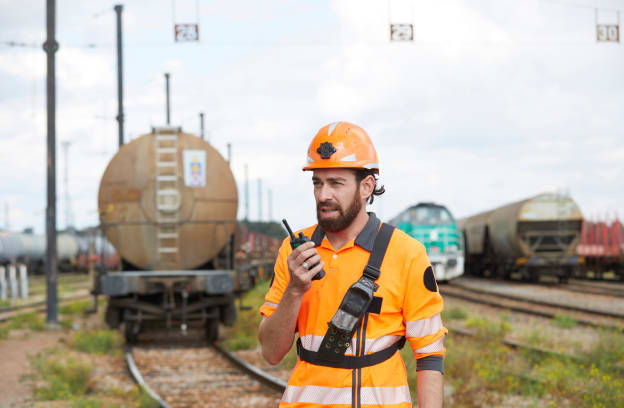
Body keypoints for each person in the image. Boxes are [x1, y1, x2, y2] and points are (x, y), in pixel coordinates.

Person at [258, 122, 447, 408]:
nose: (323, 195)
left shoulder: (407, 254)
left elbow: (430, 355)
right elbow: (271, 353)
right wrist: (295, 290)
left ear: (366, 186)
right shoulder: (294, 251)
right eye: (317, 183)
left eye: (336, 183)